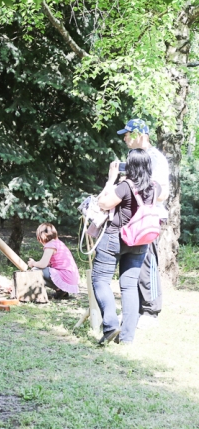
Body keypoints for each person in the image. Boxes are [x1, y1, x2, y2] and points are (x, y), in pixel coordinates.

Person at [94, 149, 161, 345]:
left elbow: (103, 203)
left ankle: (111, 324)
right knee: (130, 286)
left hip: (115, 237)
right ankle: (126, 338)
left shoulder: (125, 186)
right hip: (140, 241)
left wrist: (110, 179)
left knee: (100, 280)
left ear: (129, 166)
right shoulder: (155, 187)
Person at [118, 119, 169, 328]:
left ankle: (151, 311)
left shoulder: (156, 159)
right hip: (133, 218)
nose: (125, 138)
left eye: (128, 134)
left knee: (148, 262)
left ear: (140, 135)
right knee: (134, 264)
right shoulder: (134, 157)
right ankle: (136, 309)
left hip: (148, 218)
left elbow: (162, 192)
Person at [27, 223, 79, 299]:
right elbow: (47, 264)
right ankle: (61, 290)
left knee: (35, 271)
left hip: (65, 275)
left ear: (42, 235)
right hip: (71, 277)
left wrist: (33, 263)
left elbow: (43, 264)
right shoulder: (58, 243)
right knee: (39, 271)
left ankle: (59, 289)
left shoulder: (50, 245)